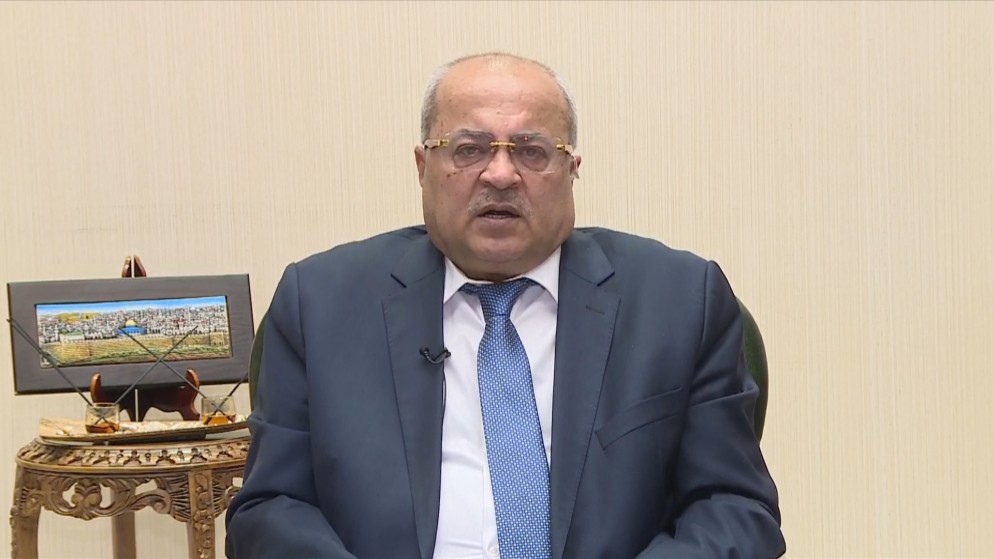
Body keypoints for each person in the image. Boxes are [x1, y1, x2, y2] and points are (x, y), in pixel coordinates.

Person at [225, 52, 785, 559]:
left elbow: (735, 508)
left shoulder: (680, 302)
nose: (500, 174)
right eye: (468, 149)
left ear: (572, 169)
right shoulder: (320, 304)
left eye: (533, 151)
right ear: (422, 167)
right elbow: (270, 509)